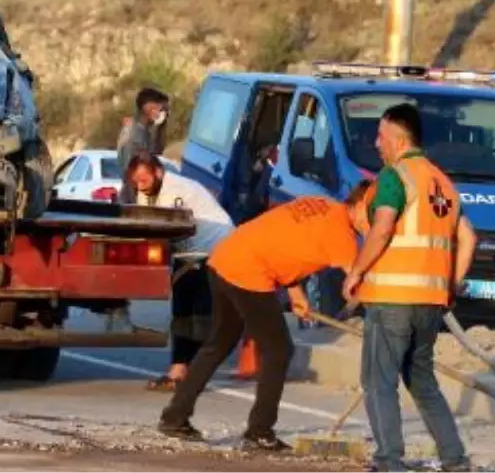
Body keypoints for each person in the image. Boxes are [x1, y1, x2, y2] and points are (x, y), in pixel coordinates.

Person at [158, 182, 374, 451]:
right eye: (372, 214)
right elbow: (360, 287)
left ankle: (174, 417)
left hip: (225, 258)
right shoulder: (343, 237)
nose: (374, 223)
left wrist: (295, 293)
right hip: (249, 273)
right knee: (279, 350)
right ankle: (259, 431)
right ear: (360, 206)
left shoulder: (320, 205)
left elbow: (285, 243)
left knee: (218, 344)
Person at [342, 103, 477, 473]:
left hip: (392, 298)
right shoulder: (442, 183)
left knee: (378, 382)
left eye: (381, 136)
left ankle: (389, 462)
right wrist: (451, 284)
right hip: (430, 302)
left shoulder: (394, 177)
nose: (376, 143)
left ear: (399, 139)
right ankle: (455, 460)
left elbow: (383, 228)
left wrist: (356, 272)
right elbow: (468, 238)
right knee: (422, 381)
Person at [117, 153, 234, 390]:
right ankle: (179, 370)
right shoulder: (147, 191)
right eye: (136, 182)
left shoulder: (176, 190)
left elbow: (168, 227)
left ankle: (194, 372)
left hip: (214, 250)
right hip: (187, 253)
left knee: (200, 315)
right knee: (181, 313)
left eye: (144, 180)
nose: (140, 186)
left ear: (158, 173)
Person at [117, 86, 170, 173]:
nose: (163, 113)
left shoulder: (144, 132)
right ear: (149, 107)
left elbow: (156, 154)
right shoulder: (133, 134)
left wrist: (160, 128)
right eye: (161, 109)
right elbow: (131, 168)